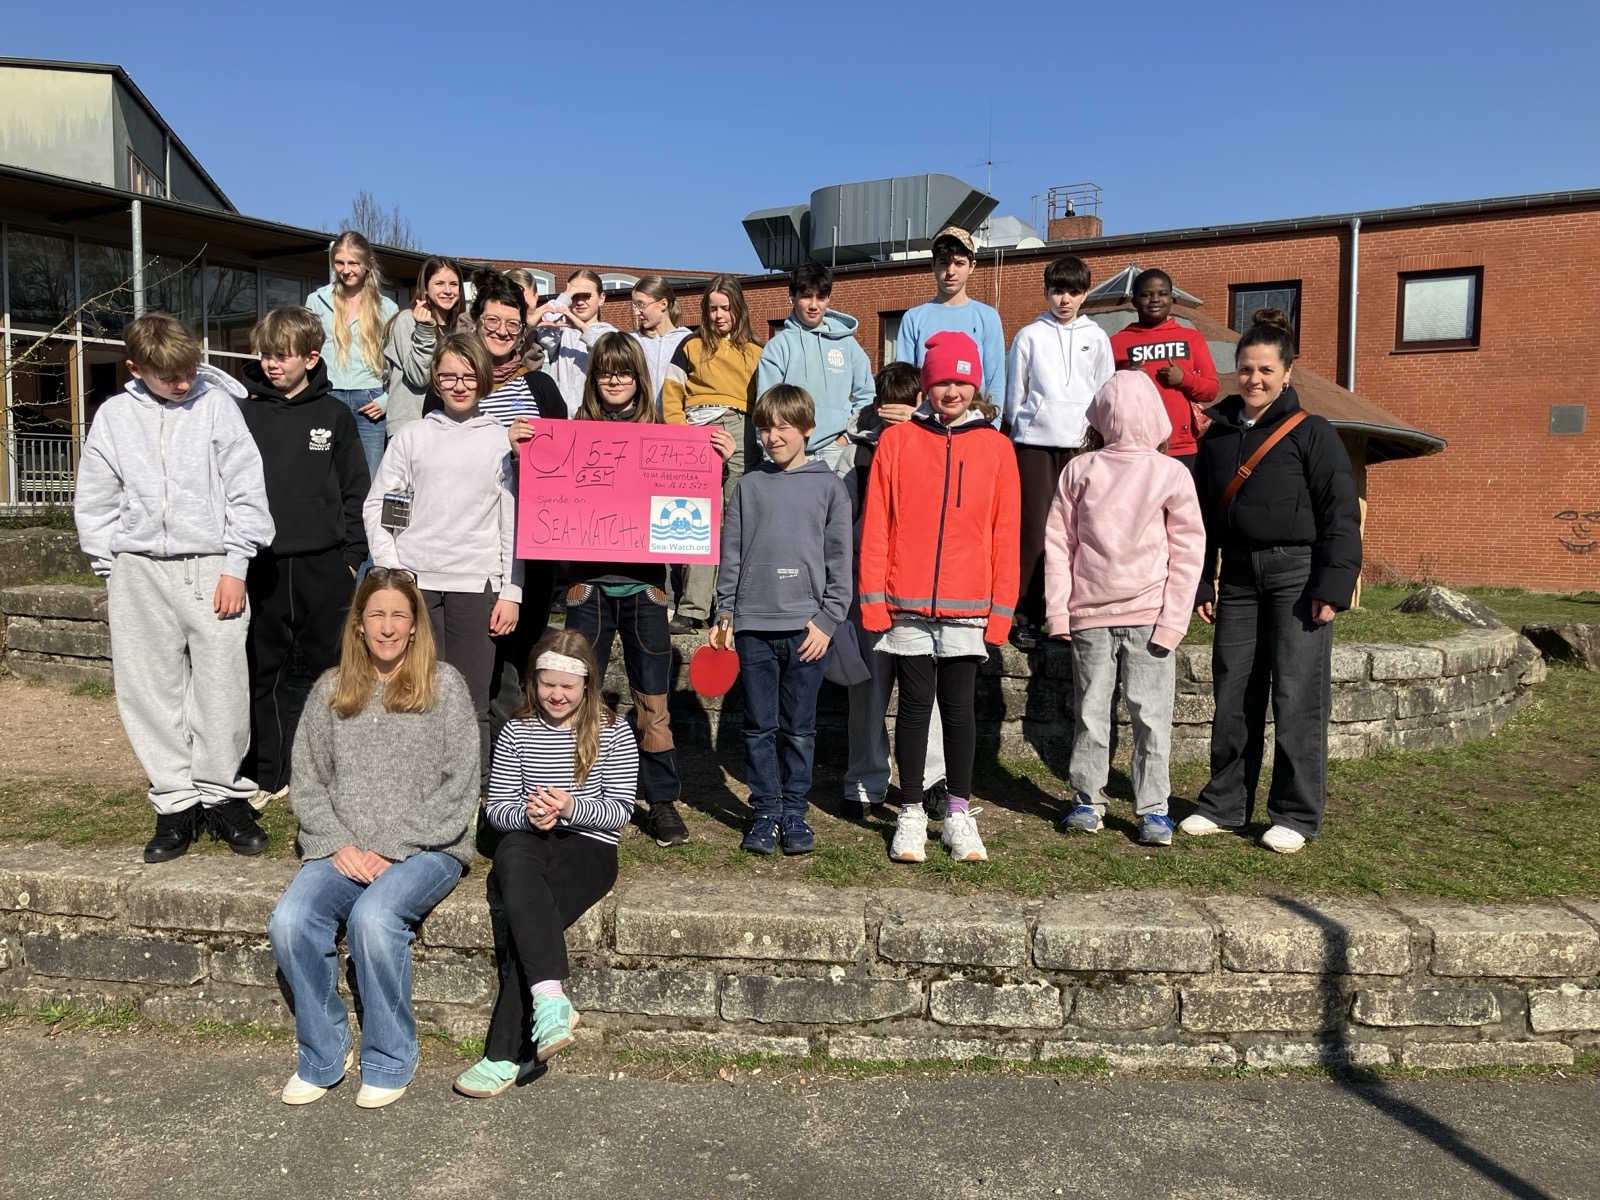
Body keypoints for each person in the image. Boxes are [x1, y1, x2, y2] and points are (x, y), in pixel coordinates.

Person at [267, 568, 478, 1109]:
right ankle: (322, 1053)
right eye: (376, 614)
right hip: (342, 847)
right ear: (359, 624)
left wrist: (395, 847)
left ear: (414, 626)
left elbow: (460, 785)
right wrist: (336, 841)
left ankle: (388, 1057)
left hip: (428, 848)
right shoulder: (331, 690)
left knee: (375, 920)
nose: (387, 626)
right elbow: (308, 779)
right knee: (291, 921)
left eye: (398, 616)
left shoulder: (445, 686)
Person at [74, 312, 274, 863]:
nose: (183, 383)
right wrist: (111, 564)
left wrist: (236, 564)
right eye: (168, 376)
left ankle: (221, 794)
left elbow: (246, 489)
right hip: (137, 567)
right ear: (136, 368)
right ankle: (174, 803)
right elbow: (95, 493)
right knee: (147, 688)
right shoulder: (114, 416)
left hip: (212, 565)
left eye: (187, 371)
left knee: (222, 683)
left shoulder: (216, 408)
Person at [1182, 309, 1361, 854]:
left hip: (1296, 576)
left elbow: (1339, 513)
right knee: (1234, 689)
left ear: (1287, 373)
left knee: (1295, 693)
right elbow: (1201, 516)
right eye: (1245, 370)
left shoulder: (1313, 433)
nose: (1254, 380)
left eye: (1265, 370)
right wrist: (1201, 583)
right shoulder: (1215, 438)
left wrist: (1332, 586)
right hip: (1235, 576)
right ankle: (1224, 804)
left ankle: (1295, 813)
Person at [563, 333, 733, 848]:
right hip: (586, 586)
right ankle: (577, 798)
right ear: (593, 379)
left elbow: (690, 501)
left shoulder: (664, 436)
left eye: (624, 372)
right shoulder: (569, 433)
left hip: (645, 587)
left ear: (639, 377)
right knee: (577, 696)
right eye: (604, 372)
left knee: (653, 700)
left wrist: (714, 463)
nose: (614, 380)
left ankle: (659, 801)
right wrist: (528, 454)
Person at [453, 629, 638, 1098]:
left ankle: (502, 1054)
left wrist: (571, 808)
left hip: (589, 845)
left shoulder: (612, 730)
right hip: (531, 839)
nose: (556, 695)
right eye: (547, 684)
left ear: (587, 686)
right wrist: (531, 814)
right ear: (534, 682)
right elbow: (496, 808)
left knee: (532, 926)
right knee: (512, 855)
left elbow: (620, 811)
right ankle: (551, 1000)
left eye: (567, 686)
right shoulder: (516, 730)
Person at [859, 331, 1020, 864]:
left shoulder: (997, 448)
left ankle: (956, 811)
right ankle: (909, 810)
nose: (951, 391)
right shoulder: (897, 442)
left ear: (974, 383)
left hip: (968, 605)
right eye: (942, 381)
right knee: (911, 710)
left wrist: (1001, 611)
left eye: (961, 380)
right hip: (905, 602)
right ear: (926, 384)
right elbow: (878, 522)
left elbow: (1006, 531)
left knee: (959, 712)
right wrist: (873, 598)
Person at [1044, 371, 1205, 845]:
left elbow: (1187, 548)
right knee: (1125, 716)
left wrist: (1173, 619)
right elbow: (1061, 543)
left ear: (1100, 415)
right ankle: (1091, 801)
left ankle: (1150, 808)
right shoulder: (1081, 470)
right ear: (1155, 415)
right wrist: (1059, 611)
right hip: (1096, 617)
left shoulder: (1169, 474)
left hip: (1148, 616)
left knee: (1122, 715)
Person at [364, 333, 522, 784]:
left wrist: (512, 589)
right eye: (448, 375)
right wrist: (392, 567)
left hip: (477, 585)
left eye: (469, 375)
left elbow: (512, 522)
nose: (458, 384)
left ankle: (473, 795)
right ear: (435, 378)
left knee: (472, 701)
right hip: (416, 585)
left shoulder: (500, 440)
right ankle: (416, 786)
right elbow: (380, 503)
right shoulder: (412, 436)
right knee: (417, 693)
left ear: (484, 378)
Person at [710, 384, 853, 855]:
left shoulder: (830, 488)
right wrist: (725, 611)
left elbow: (839, 563)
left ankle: (795, 811)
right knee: (758, 726)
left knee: (800, 727)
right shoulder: (748, 486)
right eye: (765, 428)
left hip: (807, 632)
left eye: (783, 427)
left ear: (807, 429)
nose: (773, 437)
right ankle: (765, 810)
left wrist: (828, 620)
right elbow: (730, 555)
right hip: (752, 628)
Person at [238, 306, 370, 809]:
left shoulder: (335, 415)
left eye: (283, 356)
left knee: (331, 675)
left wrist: (353, 556)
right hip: (263, 564)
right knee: (262, 671)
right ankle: (268, 774)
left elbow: (359, 489)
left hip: (325, 565)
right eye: (267, 355)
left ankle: (329, 775)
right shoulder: (245, 413)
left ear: (311, 358)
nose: (272, 365)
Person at [840, 361, 949, 821]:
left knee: (928, 691)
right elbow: (842, 523)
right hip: (868, 584)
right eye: (887, 413)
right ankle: (864, 781)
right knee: (868, 688)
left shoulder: (939, 446)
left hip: (922, 585)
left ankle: (931, 781)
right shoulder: (857, 454)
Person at [468, 269, 568, 726]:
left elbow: (567, 460)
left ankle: (523, 745)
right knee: (479, 644)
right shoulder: (456, 384)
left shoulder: (541, 387)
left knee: (526, 642)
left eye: (512, 325)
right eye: (493, 323)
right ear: (475, 320)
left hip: (535, 534)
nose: (503, 333)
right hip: (475, 534)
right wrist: (499, 443)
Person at [1005, 255, 1115, 651]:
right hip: (1034, 444)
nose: (1064, 299)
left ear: (1085, 293)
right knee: (1033, 531)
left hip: (1081, 445)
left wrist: (1099, 438)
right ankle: (1026, 614)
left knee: (1078, 532)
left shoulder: (1098, 337)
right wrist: (1021, 429)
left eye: (1073, 291)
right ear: (1046, 292)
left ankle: (1072, 615)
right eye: (1057, 290)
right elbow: (1014, 394)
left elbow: (1105, 393)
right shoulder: (1029, 336)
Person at [662, 275, 763, 633]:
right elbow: (671, 391)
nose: (720, 315)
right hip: (696, 431)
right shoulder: (690, 345)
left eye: (726, 307)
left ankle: (730, 607)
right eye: (713, 308)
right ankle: (692, 608)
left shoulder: (755, 350)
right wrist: (679, 433)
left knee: (737, 521)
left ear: (739, 308)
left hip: (741, 429)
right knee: (697, 520)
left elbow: (764, 402)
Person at [756, 262, 874, 473]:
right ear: (792, 296)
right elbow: (767, 406)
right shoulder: (777, 347)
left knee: (842, 507)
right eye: (806, 296)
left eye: (820, 297)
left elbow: (866, 396)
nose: (814, 305)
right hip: (792, 452)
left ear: (828, 298)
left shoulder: (847, 344)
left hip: (837, 449)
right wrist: (772, 455)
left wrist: (847, 438)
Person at [307, 231, 398, 477]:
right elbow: (305, 352)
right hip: (328, 395)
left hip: (370, 401)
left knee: (369, 477)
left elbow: (399, 365)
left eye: (353, 263)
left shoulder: (388, 308)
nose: (346, 270)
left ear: (367, 263)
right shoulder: (316, 301)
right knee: (327, 475)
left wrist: (385, 401)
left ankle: (366, 518)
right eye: (339, 262)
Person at [1109, 268, 1217, 470]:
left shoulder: (1191, 338)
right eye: (1146, 295)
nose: (1155, 299)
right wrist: (1124, 380)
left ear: (1172, 298)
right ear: (1134, 301)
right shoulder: (1115, 342)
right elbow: (1101, 396)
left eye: (1162, 293)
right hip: (1133, 447)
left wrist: (1184, 379)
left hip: (1181, 447)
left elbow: (1211, 390)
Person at [895, 226, 1006, 402]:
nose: (951, 271)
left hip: (974, 419)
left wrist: (992, 423)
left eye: (959, 263)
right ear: (933, 265)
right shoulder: (913, 318)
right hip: (926, 419)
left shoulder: (987, 317)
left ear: (972, 266)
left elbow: (995, 379)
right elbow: (904, 378)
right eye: (944, 262)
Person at [384, 256, 470, 434]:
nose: (447, 291)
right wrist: (424, 330)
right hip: (411, 426)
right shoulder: (408, 320)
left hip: (450, 426)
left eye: (453, 284)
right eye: (439, 283)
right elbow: (419, 377)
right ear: (426, 287)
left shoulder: (459, 328)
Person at [528, 268, 619, 413]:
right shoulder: (561, 331)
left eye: (586, 296)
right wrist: (565, 296)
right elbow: (545, 334)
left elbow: (610, 355)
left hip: (593, 415)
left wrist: (582, 328)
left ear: (601, 298)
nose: (580, 302)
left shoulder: (611, 333)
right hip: (558, 414)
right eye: (575, 296)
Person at [627, 274, 691, 414]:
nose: (637, 312)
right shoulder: (631, 340)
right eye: (634, 305)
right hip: (641, 422)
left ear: (663, 303)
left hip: (678, 422)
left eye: (641, 304)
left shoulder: (688, 341)